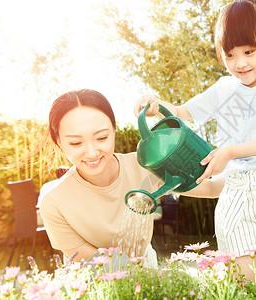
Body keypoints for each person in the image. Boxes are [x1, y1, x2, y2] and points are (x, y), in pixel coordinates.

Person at [134, 0, 256, 279]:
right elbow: (179, 113)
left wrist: (231, 152)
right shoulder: (223, 88)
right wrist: (155, 105)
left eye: (249, 51)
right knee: (242, 277)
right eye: (230, 55)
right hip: (235, 189)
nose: (240, 63)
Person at [38, 89, 168, 268]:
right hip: (95, 281)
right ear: (59, 142)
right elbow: (96, 263)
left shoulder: (144, 166)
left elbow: (209, 186)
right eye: (76, 143)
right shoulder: (54, 202)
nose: (91, 153)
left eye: (102, 137)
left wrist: (164, 111)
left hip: (147, 269)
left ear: (114, 131)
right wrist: (153, 278)